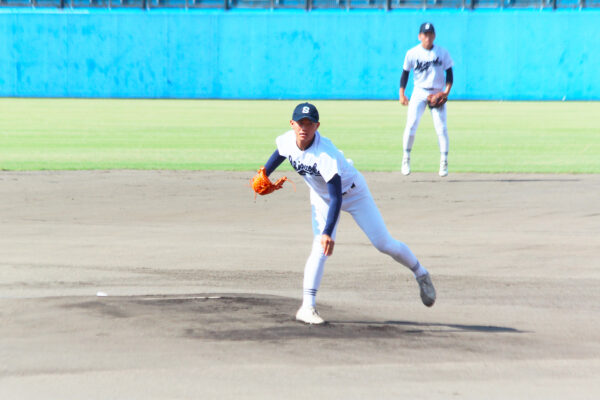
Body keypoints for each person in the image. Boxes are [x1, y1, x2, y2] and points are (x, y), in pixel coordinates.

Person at [258, 102, 436, 324]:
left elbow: (337, 198)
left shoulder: (326, 155)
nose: (304, 127)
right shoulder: (287, 140)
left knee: (384, 244)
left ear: (317, 126)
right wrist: (264, 174)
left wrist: (328, 232)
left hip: (353, 194)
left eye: (309, 123)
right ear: (292, 124)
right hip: (321, 197)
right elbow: (280, 154)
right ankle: (307, 307)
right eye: (300, 123)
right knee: (319, 249)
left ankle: (420, 273)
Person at [399, 22, 454, 177]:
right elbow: (405, 74)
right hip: (419, 92)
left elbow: (450, 74)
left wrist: (445, 93)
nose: (428, 37)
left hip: (437, 92)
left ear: (434, 36)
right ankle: (406, 158)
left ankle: (444, 161)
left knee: (441, 128)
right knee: (411, 125)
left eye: (430, 34)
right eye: (425, 34)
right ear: (420, 36)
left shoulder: (442, 53)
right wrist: (402, 94)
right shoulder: (412, 53)